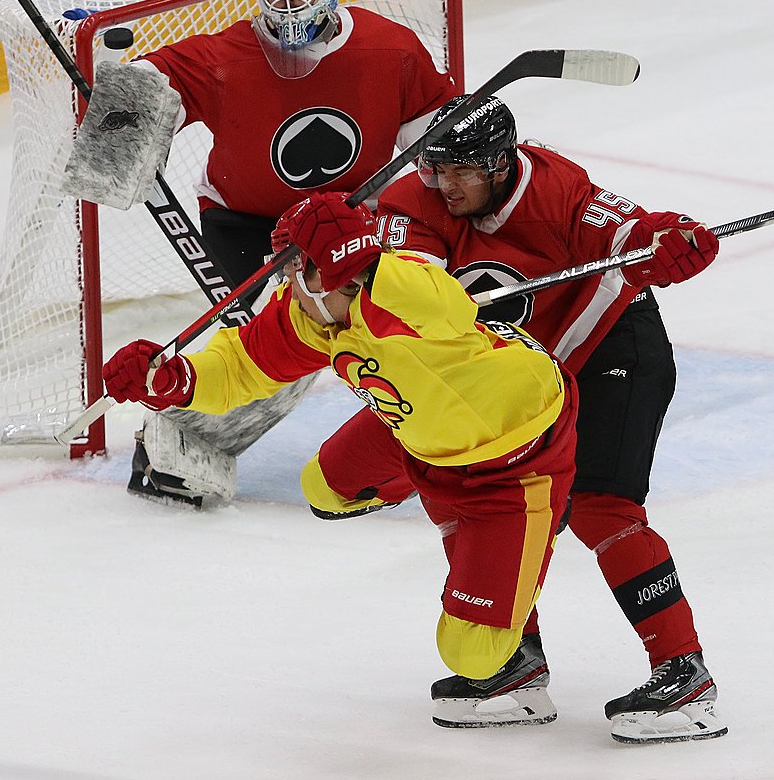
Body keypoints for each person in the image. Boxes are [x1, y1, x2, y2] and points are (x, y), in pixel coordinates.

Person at [100, 192, 578, 708]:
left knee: (472, 654)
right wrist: (173, 381)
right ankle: (438, 491)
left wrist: (367, 265)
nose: (280, 282)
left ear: (325, 272)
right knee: (323, 488)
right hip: (421, 432)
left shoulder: (405, 288)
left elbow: (444, 307)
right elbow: (241, 365)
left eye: (289, 270)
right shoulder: (311, 316)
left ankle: (535, 521)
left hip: (518, 450)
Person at [373, 93, 726, 744]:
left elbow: (632, 231)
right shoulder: (410, 203)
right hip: (517, 379)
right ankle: (513, 664)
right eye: (434, 169)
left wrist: (662, 241)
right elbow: (406, 290)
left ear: (502, 164)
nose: (443, 185)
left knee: (601, 508)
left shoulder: (556, 187)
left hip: (609, 349)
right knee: (483, 502)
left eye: (462, 171)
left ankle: (684, 674)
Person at [82, 0, 457, 507]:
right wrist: (116, 107)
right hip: (245, 222)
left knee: (394, 322)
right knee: (276, 335)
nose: (287, 2)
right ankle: (172, 449)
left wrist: (394, 227)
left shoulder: (392, 50)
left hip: (350, 224)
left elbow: (432, 155)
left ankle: (439, 440)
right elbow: (156, 83)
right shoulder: (228, 57)